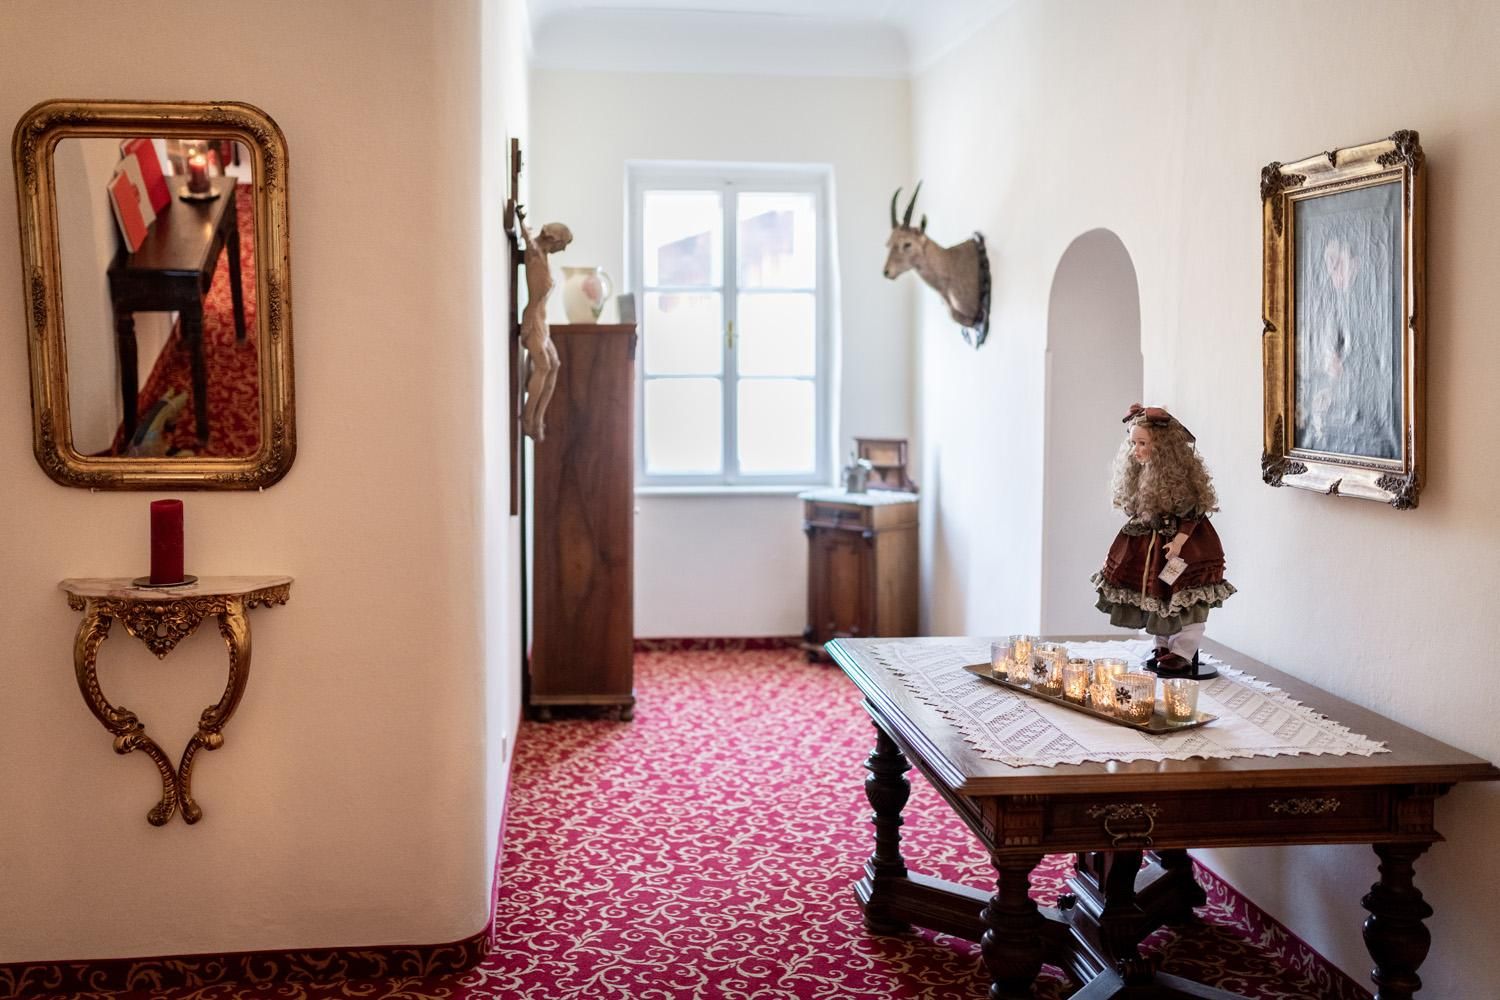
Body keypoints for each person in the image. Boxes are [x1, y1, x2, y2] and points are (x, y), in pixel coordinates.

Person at [1091, 403, 1236, 676]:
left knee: (1185, 599)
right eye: (1133, 443)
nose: (1136, 450)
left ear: (1162, 447)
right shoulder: (1141, 472)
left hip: (1184, 549)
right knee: (1157, 597)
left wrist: (1179, 541)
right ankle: (1162, 646)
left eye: (1142, 443)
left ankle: (1183, 651)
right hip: (1152, 548)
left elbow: (1193, 512)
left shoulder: (1179, 478)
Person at [518, 210, 574, 441]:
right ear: (554, 239)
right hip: (534, 319)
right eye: (564, 243)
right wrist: (521, 222)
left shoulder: (544, 256)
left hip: (543, 321)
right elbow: (529, 241)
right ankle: (528, 418)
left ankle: (538, 417)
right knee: (543, 366)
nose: (563, 249)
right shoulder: (535, 254)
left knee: (554, 364)